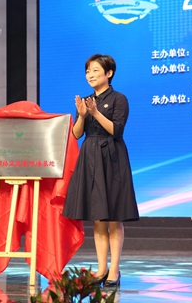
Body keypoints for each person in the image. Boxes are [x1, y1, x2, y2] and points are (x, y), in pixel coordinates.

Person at [63, 54, 139, 288]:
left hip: (112, 158)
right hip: (91, 158)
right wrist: (83, 115)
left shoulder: (119, 99)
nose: (90, 75)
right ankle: (101, 268)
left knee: (113, 217)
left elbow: (116, 130)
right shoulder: (86, 101)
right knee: (98, 217)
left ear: (109, 73)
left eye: (95, 70)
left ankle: (114, 269)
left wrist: (95, 113)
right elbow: (76, 134)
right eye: (88, 71)